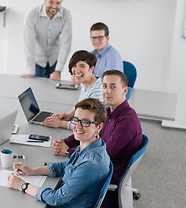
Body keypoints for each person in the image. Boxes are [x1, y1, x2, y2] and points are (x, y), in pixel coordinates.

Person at [52, 70, 142, 206]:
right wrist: (65, 142)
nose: (107, 91)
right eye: (104, 86)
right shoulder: (110, 112)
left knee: (52, 191)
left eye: (113, 87)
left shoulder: (127, 121)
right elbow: (89, 129)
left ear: (124, 90)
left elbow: (104, 155)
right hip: (97, 166)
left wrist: (67, 152)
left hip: (103, 174)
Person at [7, 98, 110, 208]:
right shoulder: (91, 145)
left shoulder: (91, 163)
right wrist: (32, 171)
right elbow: (66, 166)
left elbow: (57, 198)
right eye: (75, 120)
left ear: (99, 127)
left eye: (85, 122)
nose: (78, 126)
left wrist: (22, 185)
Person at [42, 50, 106, 129]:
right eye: (74, 65)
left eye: (82, 66)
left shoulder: (97, 91)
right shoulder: (86, 82)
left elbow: (89, 125)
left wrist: (60, 123)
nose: (77, 70)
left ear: (91, 68)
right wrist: (68, 115)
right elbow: (82, 105)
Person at [21, 0, 72, 80]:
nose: (54, 6)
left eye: (58, 3)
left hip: (54, 60)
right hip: (37, 60)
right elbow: (29, 44)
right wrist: (30, 71)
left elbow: (66, 44)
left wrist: (58, 70)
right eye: (51, 2)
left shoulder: (66, 15)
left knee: (52, 91)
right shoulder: (32, 14)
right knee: (35, 89)